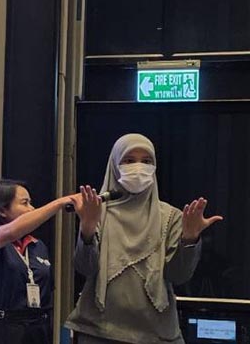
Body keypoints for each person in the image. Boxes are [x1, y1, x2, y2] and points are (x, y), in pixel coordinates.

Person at [65, 133, 224, 343]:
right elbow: (85, 268)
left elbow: (178, 276)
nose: (139, 167)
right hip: (99, 332)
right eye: (129, 160)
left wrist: (189, 238)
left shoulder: (170, 217)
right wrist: (87, 227)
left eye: (147, 161)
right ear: (114, 166)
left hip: (158, 334)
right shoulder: (97, 213)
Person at [0, 179, 80, 344]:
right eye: (25, 203)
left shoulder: (37, 245)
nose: (32, 209)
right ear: (2, 211)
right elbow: (11, 232)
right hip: (1, 329)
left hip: (37, 329)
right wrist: (59, 203)